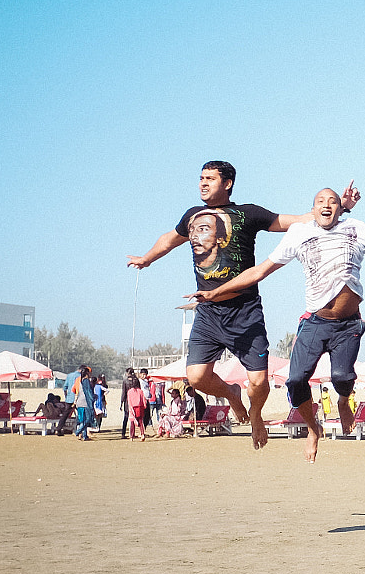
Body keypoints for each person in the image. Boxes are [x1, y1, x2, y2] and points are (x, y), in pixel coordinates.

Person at [191, 186, 365, 462]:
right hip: (315, 322)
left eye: (332, 201)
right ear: (313, 209)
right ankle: (313, 429)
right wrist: (216, 292)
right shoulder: (300, 233)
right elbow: (260, 270)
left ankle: (344, 401)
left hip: (347, 325)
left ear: (340, 208)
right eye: (320, 201)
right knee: (295, 381)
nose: (327, 205)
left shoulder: (356, 228)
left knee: (342, 379)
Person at [128, 161, 352, 448]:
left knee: (259, 382)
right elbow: (169, 239)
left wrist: (340, 207)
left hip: (245, 312)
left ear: (228, 183)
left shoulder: (248, 214)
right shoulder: (192, 216)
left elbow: (298, 220)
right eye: (201, 178)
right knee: (196, 377)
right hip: (208, 313)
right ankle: (233, 394)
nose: (203, 183)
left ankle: (256, 414)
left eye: (210, 178)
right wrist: (147, 258)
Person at [68, 365, 94, 440]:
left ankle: (84, 436)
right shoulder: (86, 381)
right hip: (85, 402)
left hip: (79, 402)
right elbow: (88, 392)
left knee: (82, 419)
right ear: (87, 373)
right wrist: (92, 398)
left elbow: (74, 390)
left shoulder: (79, 380)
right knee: (87, 419)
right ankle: (77, 432)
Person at [125, 371, 147, 442]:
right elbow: (144, 400)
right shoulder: (140, 391)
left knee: (132, 422)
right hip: (140, 407)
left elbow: (129, 401)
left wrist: (130, 409)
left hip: (133, 407)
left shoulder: (129, 391)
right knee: (140, 422)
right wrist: (144, 406)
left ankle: (131, 436)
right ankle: (142, 434)